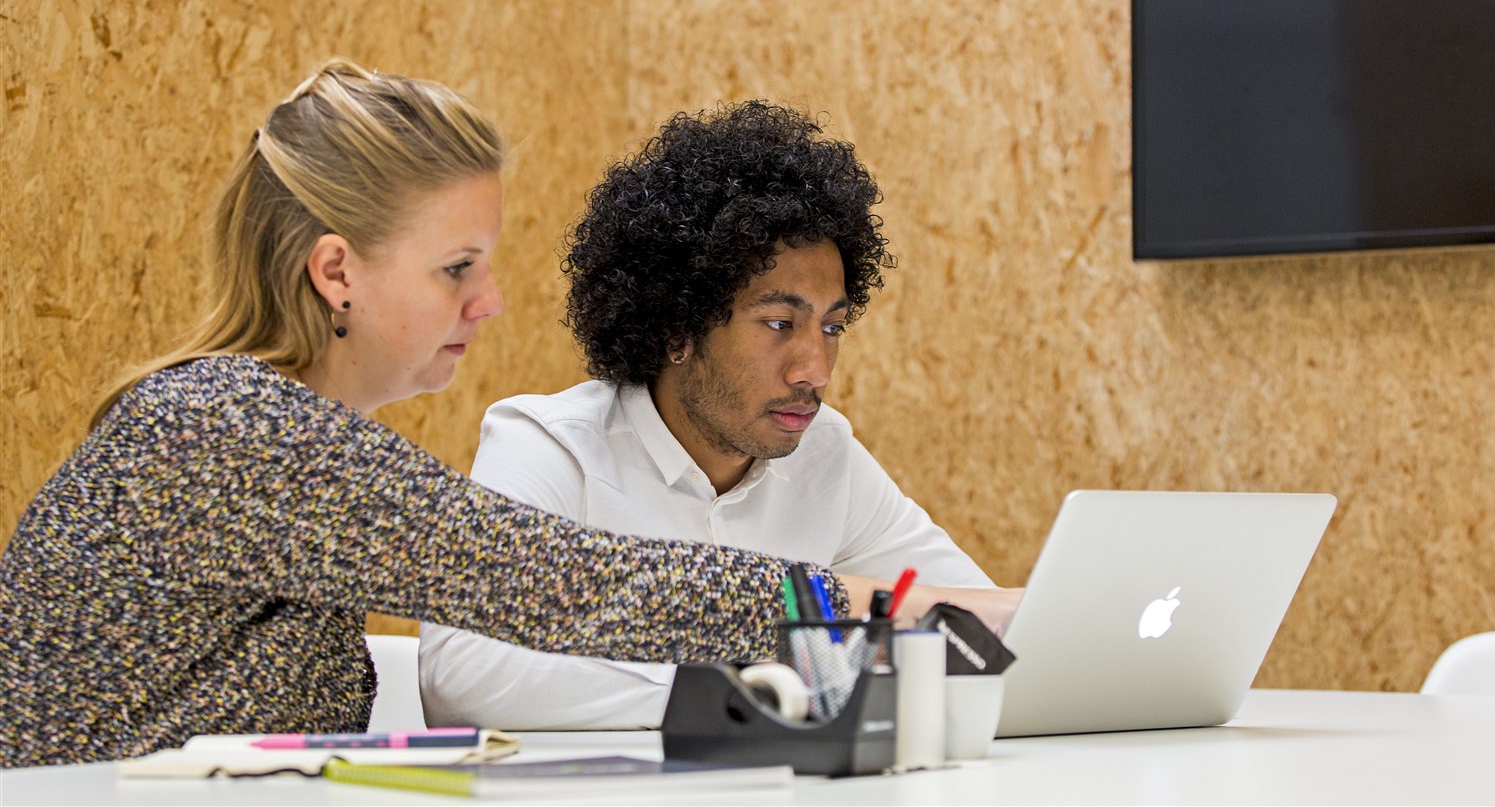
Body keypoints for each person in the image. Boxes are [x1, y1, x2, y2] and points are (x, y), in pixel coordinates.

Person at [0, 63, 986, 770]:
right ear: (337, 271)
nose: (491, 301)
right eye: (456, 269)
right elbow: (564, 584)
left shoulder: (281, 438)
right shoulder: (219, 427)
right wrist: (848, 606)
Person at [420, 101, 1020, 730]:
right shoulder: (550, 448)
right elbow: (463, 677)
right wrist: (757, 686)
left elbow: (983, 624)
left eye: (833, 327)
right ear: (677, 327)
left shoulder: (826, 454)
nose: (814, 369)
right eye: (780, 324)